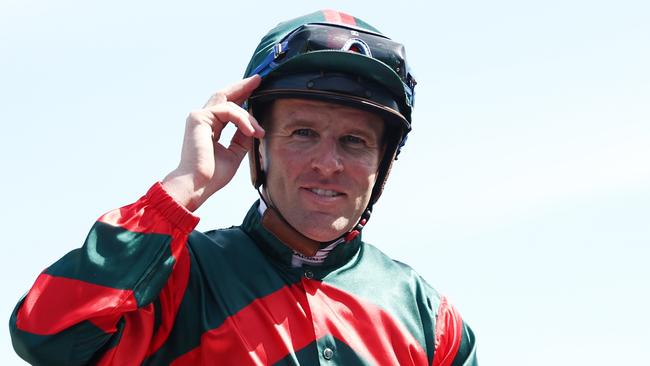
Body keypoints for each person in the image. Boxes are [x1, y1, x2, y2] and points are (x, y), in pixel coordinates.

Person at [10, 9, 478, 366]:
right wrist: (183, 188)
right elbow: (46, 336)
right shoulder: (177, 278)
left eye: (354, 142)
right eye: (302, 133)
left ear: (384, 164)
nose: (328, 164)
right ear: (257, 144)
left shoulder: (430, 318)